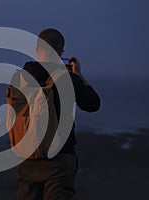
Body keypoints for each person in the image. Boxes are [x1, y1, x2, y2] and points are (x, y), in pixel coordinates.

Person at [15, 28, 101, 200]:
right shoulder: (67, 79)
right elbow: (93, 104)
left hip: (29, 155)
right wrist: (80, 76)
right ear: (61, 52)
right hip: (59, 159)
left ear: (37, 49)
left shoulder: (19, 78)